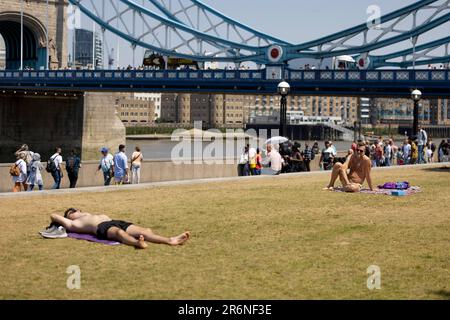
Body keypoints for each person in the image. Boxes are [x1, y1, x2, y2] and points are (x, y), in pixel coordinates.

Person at [44, 208, 190, 249]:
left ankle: (170, 240)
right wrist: (62, 220)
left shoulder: (88, 213)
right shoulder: (74, 224)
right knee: (119, 233)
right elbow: (53, 215)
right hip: (101, 228)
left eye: (75, 210)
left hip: (115, 221)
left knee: (144, 231)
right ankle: (136, 243)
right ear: (70, 217)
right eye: (72, 212)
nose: (76, 211)